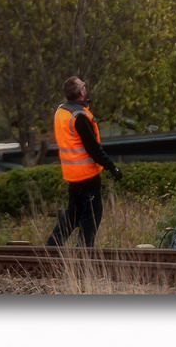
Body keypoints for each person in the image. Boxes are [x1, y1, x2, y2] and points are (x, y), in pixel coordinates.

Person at [43, 76, 122, 248]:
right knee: (92, 214)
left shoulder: (61, 112)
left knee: (74, 212)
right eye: (83, 86)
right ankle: (84, 252)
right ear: (82, 92)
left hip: (71, 174)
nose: (85, 87)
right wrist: (113, 168)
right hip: (87, 174)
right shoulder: (80, 117)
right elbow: (94, 149)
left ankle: (52, 246)